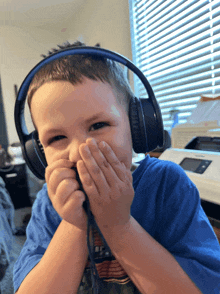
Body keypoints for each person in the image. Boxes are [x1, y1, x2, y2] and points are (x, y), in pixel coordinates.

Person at [13, 41, 220, 294]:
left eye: (98, 125)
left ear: (137, 127)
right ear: (38, 154)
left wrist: (118, 225)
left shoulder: (167, 184)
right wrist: (73, 226)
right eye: (56, 138)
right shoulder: (49, 204)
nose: (79, 152)